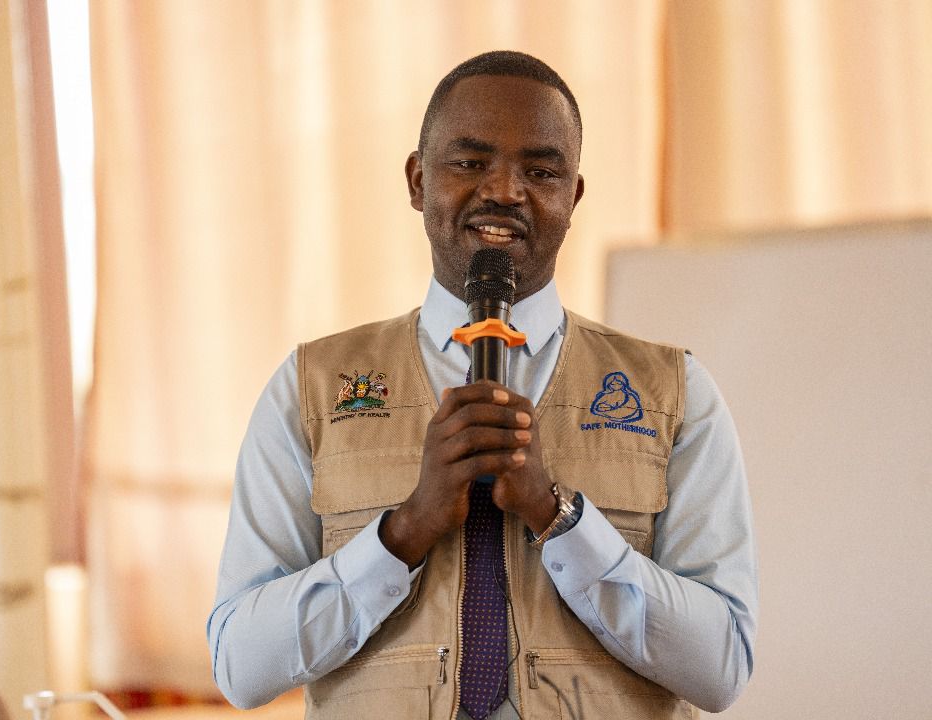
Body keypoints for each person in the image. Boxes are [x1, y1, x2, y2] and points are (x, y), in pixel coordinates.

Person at [208, 51, 757, 719]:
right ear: (417, 180)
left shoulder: (676, 394)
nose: (504, 190)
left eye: (541, 170)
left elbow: (722, 667)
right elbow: (240, 665)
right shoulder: (311, 390)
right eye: (469, 163)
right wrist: (403, 533)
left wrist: (560, 517)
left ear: (572, 196)